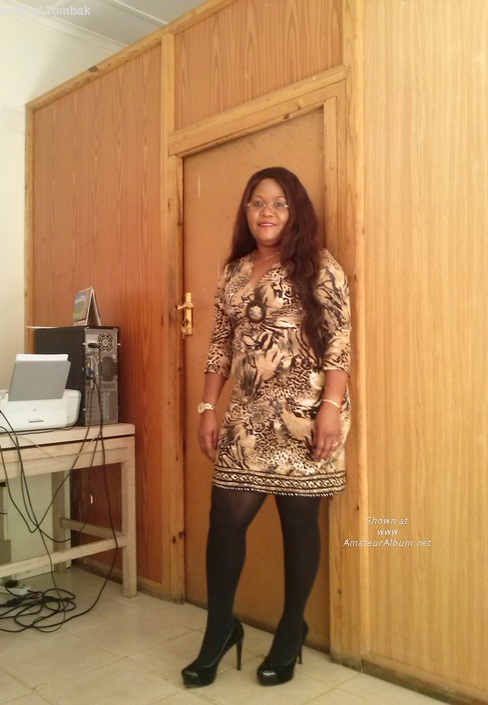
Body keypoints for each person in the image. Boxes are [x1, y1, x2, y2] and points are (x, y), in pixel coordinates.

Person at [182, 166, 351, 688]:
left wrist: (331, 407)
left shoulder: (320, 266)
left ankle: (290, 629)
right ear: (247, 210)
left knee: (298, 525)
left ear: (295, 211)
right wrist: (208, 408)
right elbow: (220, 342)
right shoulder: (233, 271)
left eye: (279, 203)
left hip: (305, 415)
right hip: (247, 417)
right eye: (258, 202)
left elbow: (339, 342)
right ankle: (219, 630)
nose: (267, 212)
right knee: (225, 522)